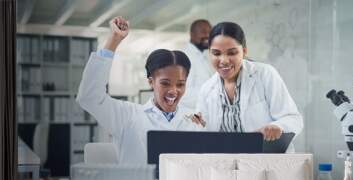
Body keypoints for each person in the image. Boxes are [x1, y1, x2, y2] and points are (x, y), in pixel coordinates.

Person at [77, 16, 203, 165]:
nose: (173, 91)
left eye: (180, 84)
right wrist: (114, 40)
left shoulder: (194, 120)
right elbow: (89, 97)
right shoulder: (127, 116)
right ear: (151, 82)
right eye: (165, 83)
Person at [193, 22, 303, 151]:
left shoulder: (265, 75)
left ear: (244, 51)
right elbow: (202, 133)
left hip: (266, 163)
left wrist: (278, 126)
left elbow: (294, 119)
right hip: (226, 164)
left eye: (232, 53)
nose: (224, 60)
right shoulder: (207, 90)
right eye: (216, 53)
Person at [180, 19, 214, 111]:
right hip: (192, 117)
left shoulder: (206, 56)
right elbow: (183, 93)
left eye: (210, 32)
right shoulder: (184, 57)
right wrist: (215, 91)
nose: (207, 35)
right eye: (203, 32)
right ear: (191, 34)